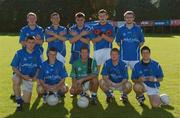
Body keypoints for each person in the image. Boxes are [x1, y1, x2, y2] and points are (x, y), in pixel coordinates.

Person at [11, 36, 42, 111]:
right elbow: (14, 67)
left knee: (27, 101)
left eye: (33, 43)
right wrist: (22, 76)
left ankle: (18, 93)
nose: (31, 44)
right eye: (29, 42)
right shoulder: (19, 53)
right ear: (25, 43)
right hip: (21, 75)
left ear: (35, 44)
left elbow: (39, 67)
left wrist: (35, 76)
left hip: (30, 78)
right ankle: (18, 102)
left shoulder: (37, 53)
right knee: (16, 79)